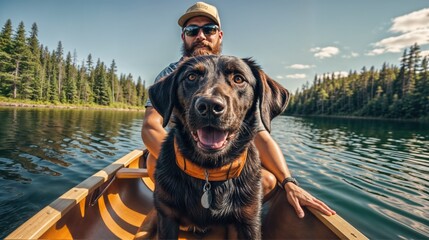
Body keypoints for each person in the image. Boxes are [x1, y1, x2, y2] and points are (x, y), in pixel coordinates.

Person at [141, 1, 336, 219]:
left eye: (209, 29)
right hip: (181, 165)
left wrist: (288, 181)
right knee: (152, 160)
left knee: (269, 182)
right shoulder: (169, 74)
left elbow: (261, 136)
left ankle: (218, 216)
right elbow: (150, 127)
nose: (201, 36)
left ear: (219, 35)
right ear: (183, 37)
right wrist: (190, 169)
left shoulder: (238, 74)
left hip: (225, 168)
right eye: (192, 30)